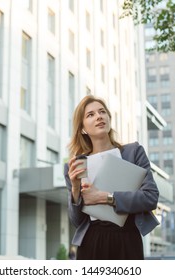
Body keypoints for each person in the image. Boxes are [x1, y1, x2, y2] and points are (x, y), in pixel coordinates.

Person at [64, 95, 159, 260]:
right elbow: (77, 221)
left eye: (102, 112)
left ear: (109, 117)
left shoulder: (133, 152)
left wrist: (106, 197)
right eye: (90, 115)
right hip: (91, 241)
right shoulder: (76, 165)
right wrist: (75, 188)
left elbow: (150, 198)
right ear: (82, 128)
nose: (99, 116)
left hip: (127, 238)